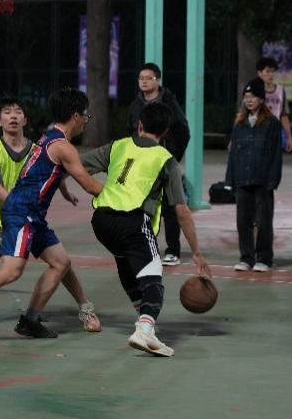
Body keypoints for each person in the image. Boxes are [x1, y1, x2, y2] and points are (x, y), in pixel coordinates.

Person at [0, 88, 104, 342]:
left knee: (61, 262)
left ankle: (30, 320)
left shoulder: (49, 138)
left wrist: (65, 193)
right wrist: (125, 196)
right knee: (11, 271)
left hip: (33, 215)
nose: (86, 120)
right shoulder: (62, 146)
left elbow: (53, 173)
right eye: (86, 116)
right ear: (75, 116)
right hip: (21, 212)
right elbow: (90, 185)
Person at [82, 102, 211, 357]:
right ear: (166, 132)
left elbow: (77, 165)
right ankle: (145, 329)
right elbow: (181, 211)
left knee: (125, 261)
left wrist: (83, 188)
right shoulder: (166, 159)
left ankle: (143, 317)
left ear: (140, 125)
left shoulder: (118, 145)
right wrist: (196, 252)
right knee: (153, 277)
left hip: (101, 221)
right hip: (133, 221)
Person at [127, 63, 190, 267]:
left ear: (158, 80)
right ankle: (146, 247)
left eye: (148, 78)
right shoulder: (136, 105)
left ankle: (173, 250)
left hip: (164, 163)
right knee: (143, 207)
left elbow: (183, 130)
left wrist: (172, 155)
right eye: (141, 78)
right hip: (142, 165)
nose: (144, 81)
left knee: (170, 207)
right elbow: (129, 132)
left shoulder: (169, 102)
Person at [226, 78, 282, 272]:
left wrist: (273, 180)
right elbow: (233, 154)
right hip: (242, 179)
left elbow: (276, 154)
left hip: (262, 180)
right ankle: (246, 258)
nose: (249, 100)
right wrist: (230, 179)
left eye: (253, 96)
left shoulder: (272, 123)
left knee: (264, 221)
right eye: (246, 97)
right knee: (243, 221)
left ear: (262, 99)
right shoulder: (239, 123)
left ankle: (264, 259)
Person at [256, 57, 292, 153]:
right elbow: (243, 114)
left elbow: (283, 115)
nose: (271, 74)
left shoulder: (280, 91)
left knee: (274, 161)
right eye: (267, 71)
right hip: (257, 133)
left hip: (274, 133)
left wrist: (289, 136)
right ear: (259, 73)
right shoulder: (253, 91)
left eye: (273, 72)